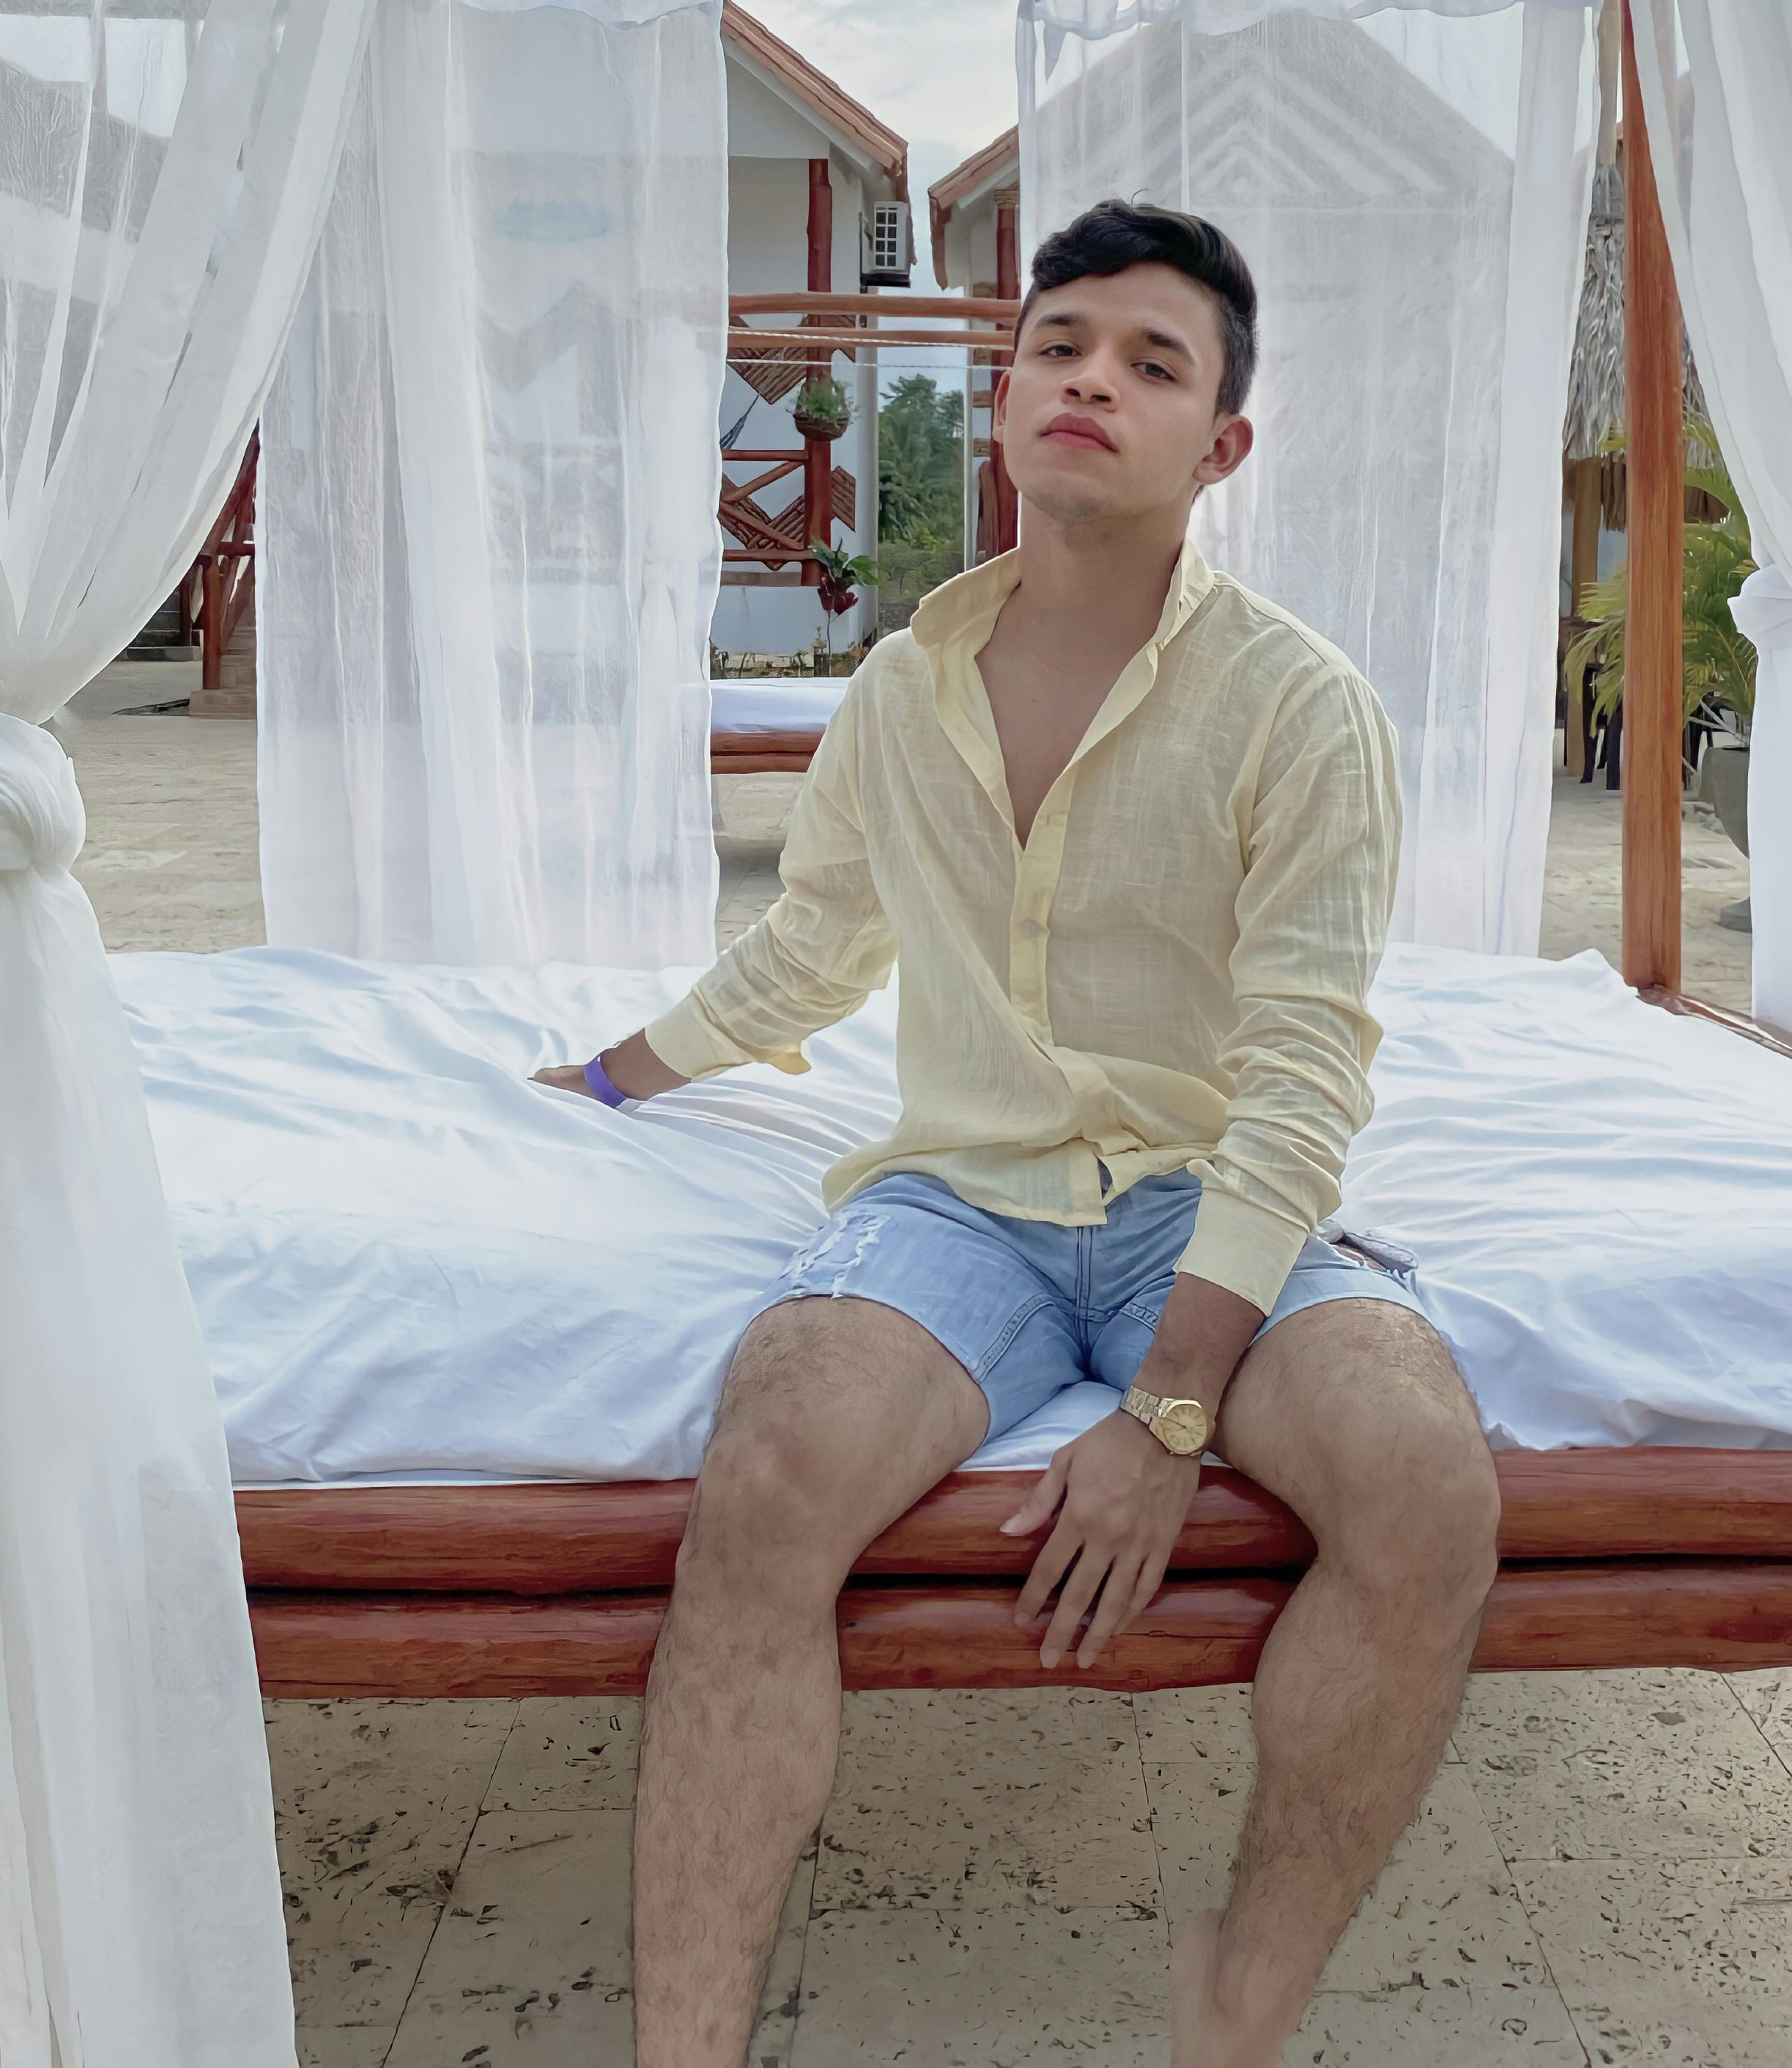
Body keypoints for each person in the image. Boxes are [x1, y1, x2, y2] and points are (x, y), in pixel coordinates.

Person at [538, 198, 1500, 2068]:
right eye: (1058, 344)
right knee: (772, 1459)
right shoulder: (899, 689)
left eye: (1152, 361)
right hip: (957, 1203)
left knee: (1424, 1476)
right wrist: (608, 1076)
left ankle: (1238, 1997)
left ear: (1219, 443)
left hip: (1201, 1204)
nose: (1090, 380)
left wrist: (1168, 1412)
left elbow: (1302, 1074)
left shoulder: (1299, 704)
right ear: (1001, 395)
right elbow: (813, 947)